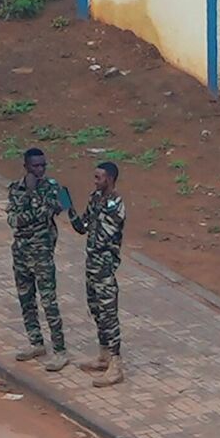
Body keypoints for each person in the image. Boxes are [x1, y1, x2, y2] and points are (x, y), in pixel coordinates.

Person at [5, 148, 72, 372]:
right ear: (26, 167)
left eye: (43, 165)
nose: (41, 169)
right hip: (21, 253)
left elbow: (63, 204)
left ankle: (60, 350)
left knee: (49, 303)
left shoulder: (51, 186)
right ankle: (36, 342)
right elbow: (14, 220)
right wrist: (38, 206)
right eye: (36, 166)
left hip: (42, 254)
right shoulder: (16, 189)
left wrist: (42, 203)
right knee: (26, 300)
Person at [69, 161, 128, 387]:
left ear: (110, 179)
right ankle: (103, 355)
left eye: (99, 178)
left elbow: (103, 236)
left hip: (104, 266)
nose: (95, 181)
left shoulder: (115, 205)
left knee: (108, 314)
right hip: (91, 264)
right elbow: (83, 226)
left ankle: (115, 364)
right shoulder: (95, 198)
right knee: (95, 309)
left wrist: (93, 221)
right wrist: (70, 210)